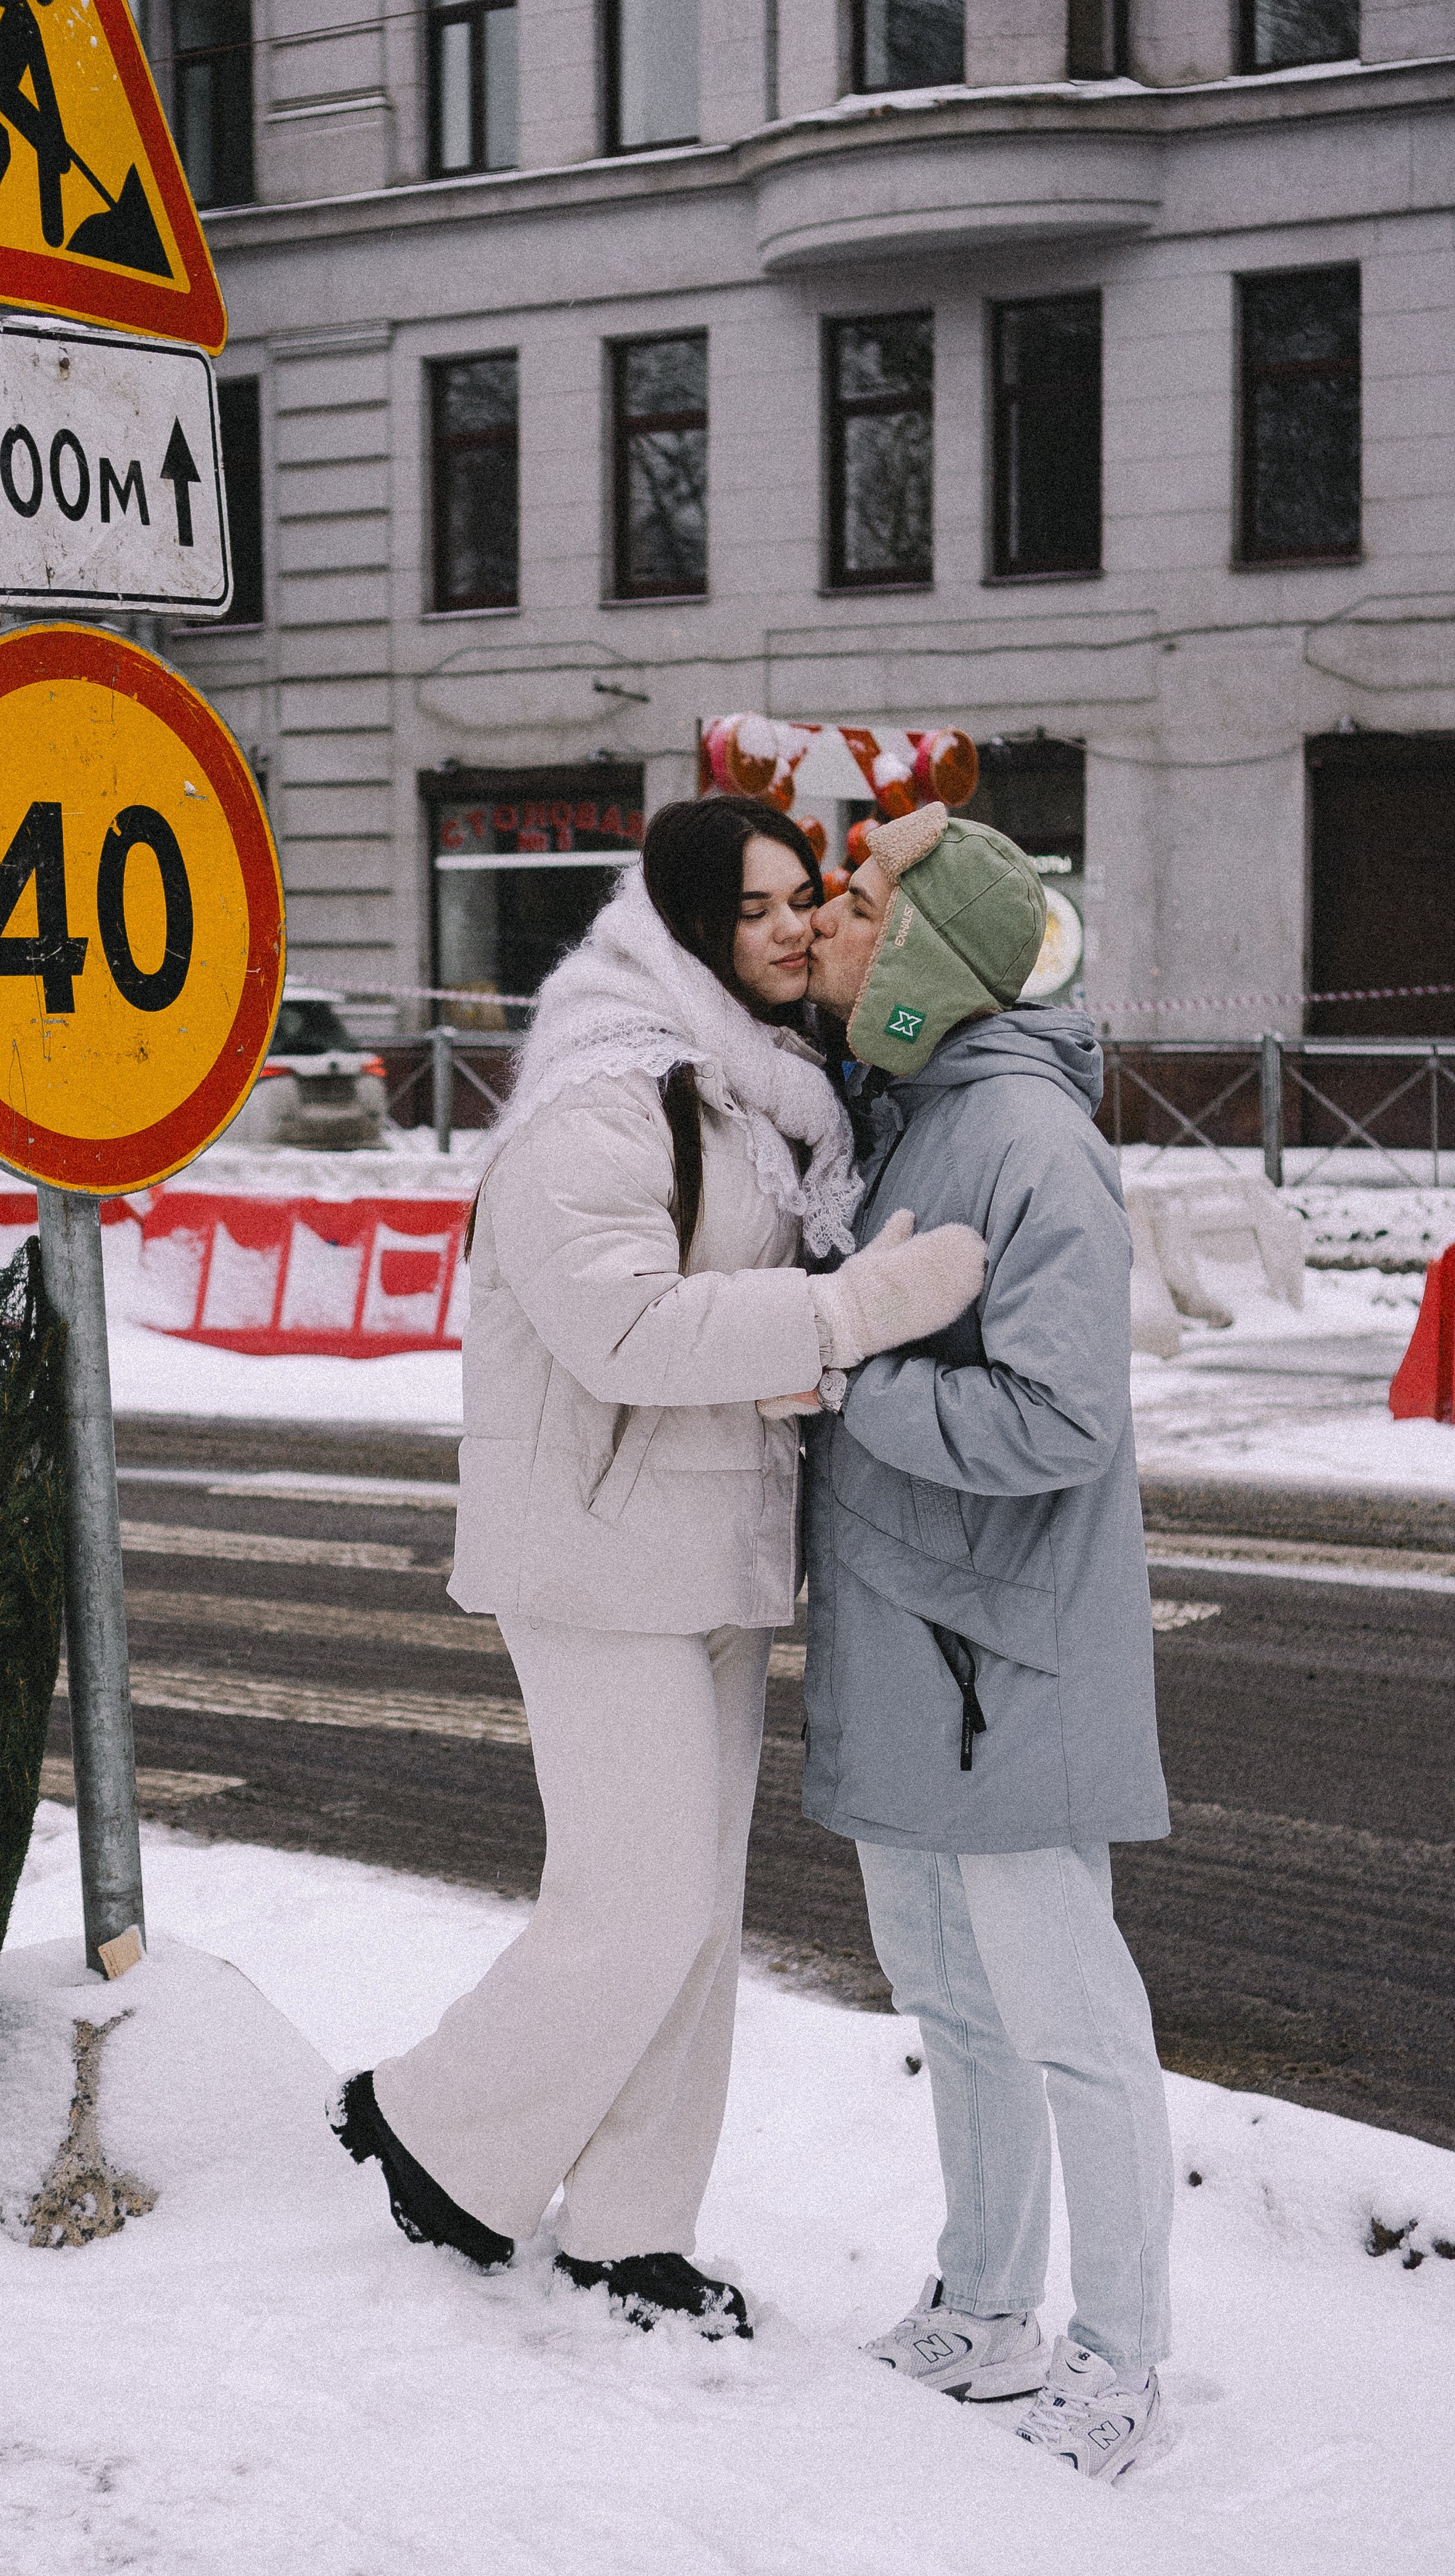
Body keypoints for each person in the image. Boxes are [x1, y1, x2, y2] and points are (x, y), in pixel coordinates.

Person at [332, 796, 986, 2337]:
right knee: (631, 1903)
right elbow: (616, 1329)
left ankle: (632, 2230)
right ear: (687, 923)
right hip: (596, 1550)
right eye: (749, 906)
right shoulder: (604, 1096)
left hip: (714, 1545)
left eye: (794, 900)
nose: (780, 929)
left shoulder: (758, 1093)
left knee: (694, 1913)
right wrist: (844, 1316)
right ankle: (435, 2127)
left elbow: (729, 1305)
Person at [800, 800, 1174, 2482]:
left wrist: (851, 1383)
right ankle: (981, 2302)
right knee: (948, 1999)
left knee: (1066, 2017)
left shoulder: (1023, 1136)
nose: (832, 913)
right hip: (908, 1640)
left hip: (1002, 1660)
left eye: (865, 897)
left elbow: (1061, 1418)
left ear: (931, 952)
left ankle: (1117, 2356)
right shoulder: (904, 1118)